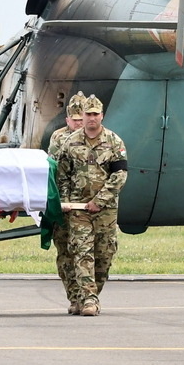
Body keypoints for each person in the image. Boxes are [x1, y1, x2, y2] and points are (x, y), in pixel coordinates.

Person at [52, 94, 128, 317]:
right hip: (78, 210)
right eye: (88, 114)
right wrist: (65, 202)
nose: (91, 118)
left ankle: (89, 295)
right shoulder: (70, 142)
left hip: (105, 210)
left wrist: (99, 200)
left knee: (104, 254)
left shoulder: (114, 141)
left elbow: (120, 175)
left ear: (101, 116)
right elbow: (62, 175)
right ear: (82, 116)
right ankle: (88, 300)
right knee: (82, 252)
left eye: (95, 114)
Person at [47, 91, 87, 314]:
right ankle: (74, 297)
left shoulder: (103, 138)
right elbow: (53, 168)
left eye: (83, 119)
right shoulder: (59, 138)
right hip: (64, 205)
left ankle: (88, 296)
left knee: (92, 254)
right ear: (67, 119)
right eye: (75, 120)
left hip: (89, 207)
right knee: (66, 253)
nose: (79, 123)